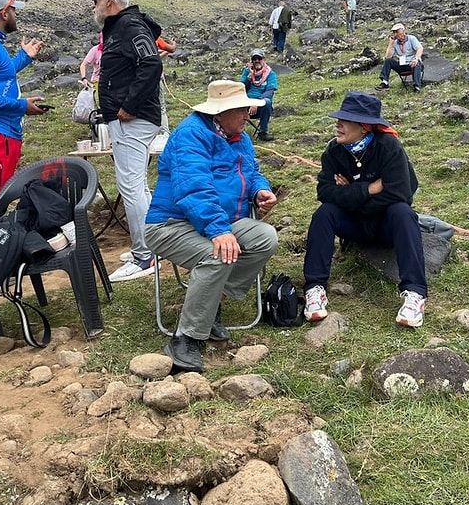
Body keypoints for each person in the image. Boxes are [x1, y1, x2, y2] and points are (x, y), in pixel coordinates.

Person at [145, 79, 278, 372]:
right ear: (219, 113)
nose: (248, 115)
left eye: (248, 109)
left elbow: (251, 171)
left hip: (220, 220)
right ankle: (185, 339)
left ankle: (210, 303)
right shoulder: (190, 136)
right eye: (242, 109)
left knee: (265, 238)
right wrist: (219, 231)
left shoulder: (239, 136)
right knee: (218, 255)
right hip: (170, 224)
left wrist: (260, 191)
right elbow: (194, 190)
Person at [302, 91, 428, 327]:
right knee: (325, 213)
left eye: (345, 120)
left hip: (386, 225)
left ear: (364, 127)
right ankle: (314, 288)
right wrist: (368, 189)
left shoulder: (389, 146)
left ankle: (415, 293)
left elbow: (400, 193)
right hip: (354, 226)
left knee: (402, 212)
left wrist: (349, 194)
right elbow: (325, 192)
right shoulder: (333, 151)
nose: (337, 124)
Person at [93, 0, 164, 281]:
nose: (93, 5)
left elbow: (151, 63)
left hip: (132, 120)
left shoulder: (128, 26)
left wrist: (130, 106)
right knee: (139, 187)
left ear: (109, 0)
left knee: (131, 187)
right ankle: (153, 246)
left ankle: (144, 255)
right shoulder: (122, 27)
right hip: (130, 118)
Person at [0, 0, 47, 214]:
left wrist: (25, 57)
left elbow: (1, 76)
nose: (17, 15)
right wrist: (22, 106)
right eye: (14, 10)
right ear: (4, 13)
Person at [240, 48, 278, 141]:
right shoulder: (247, 72)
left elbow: (270, 92)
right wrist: (248, 78)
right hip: (246, 104)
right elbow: (240, 89)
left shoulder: (270, 74)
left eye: (259, 59)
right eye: (254, 59)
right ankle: (236, 132)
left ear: (264, 60)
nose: (257, 61)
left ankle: (263, 132)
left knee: (268, 102)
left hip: (261, 105)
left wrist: (257, 102)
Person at [377, 23, 424, 92]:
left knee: (416, 63)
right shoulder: (395, 42)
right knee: (388, 61)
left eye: (397, 32)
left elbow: (420, 48)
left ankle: (417, 87)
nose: (396, 34)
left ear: (403, 32)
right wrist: (390, 44)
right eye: (394, 32)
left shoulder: (411, 38)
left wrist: (416, 59)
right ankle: (385, 82)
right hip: (402, 65)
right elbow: (388, 57)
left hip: (412, 63)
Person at [156, 36, 177, 135]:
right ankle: (165, 132)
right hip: (156, 76)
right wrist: (173, 44)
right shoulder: (155, 36)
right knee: (161, 106)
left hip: (140, 78)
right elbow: (171, 49)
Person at [79, 33, 103, 102]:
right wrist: (84, 78)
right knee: (100, 104)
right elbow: (83, 65)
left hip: (112, 82)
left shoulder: (115, 50)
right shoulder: (95, 50)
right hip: (97, 81)